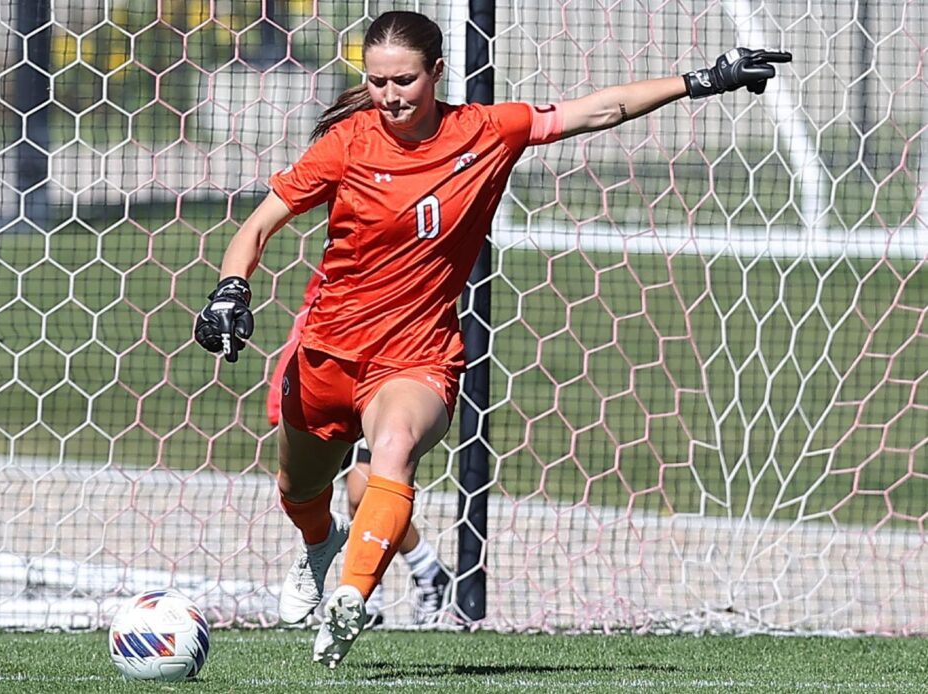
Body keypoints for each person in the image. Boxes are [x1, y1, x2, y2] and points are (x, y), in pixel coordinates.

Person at [194, 10, 790, 668]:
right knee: (298, 493)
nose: (390, 95)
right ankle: (320, 542)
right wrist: (231, 291)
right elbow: (257, 226)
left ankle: (351, 601)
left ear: (438, 73)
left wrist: (701, 80)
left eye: (405, 81)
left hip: (417, 356)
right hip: (328, 354)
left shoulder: (486, 130)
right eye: (378, 81)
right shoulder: (347, 144)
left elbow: (600, 110)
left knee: (392, 450)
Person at [266, 267, 453, 628]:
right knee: (307, 485)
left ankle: (405, 579)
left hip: (393, 349)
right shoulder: (336, 269)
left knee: (362, 489)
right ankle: (398, 585)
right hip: (337, 343)